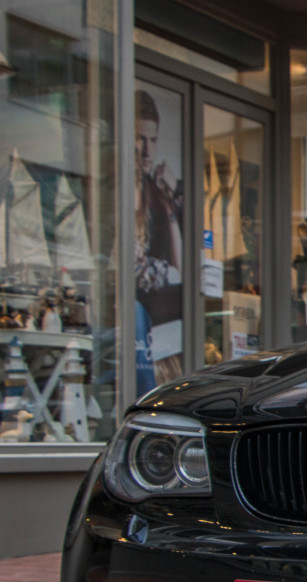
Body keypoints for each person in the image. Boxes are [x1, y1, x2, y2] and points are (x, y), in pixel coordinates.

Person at [134, 89, 184, 392]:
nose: (146, 151)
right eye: (139, 138)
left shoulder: (154, 190)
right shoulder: (117, 188)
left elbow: (181, 274)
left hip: (161, 310)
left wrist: (170, 208)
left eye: (153, 140)